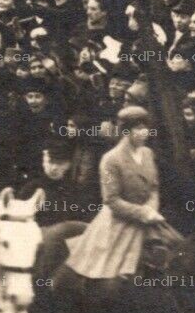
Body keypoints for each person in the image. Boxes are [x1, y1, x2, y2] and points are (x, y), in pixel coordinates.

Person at [64, 105, 180, 280]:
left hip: (149, 217)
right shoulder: (110, 160)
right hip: (118, 221)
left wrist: (151, 208)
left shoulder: (148, 153)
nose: (144, 133)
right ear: (125, 131)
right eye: (138, 128)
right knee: (115, 271)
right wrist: (142, 213)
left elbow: (154, 187)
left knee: (176, 249)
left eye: (146, 128)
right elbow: (111, 199)